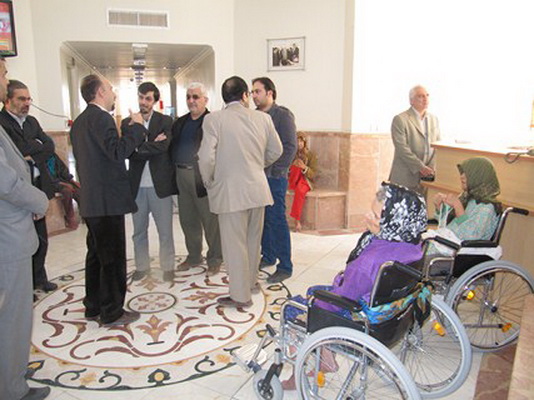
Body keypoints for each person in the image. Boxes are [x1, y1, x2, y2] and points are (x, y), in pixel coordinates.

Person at [281, 182, 427, 389]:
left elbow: (343, 298)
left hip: (359, 319)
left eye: (375, 216)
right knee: (314, 290)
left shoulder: (369, 262)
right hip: (391, 316)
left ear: (394, 222)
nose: (367, 216)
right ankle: (326, 358)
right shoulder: (413, 247)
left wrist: (314, 306)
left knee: (294, 308)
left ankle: (297, 375)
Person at [198, 76, 282, 308]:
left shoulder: (213, 119)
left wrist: (209, 180)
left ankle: (240, 296)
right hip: (258, 190)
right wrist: (256, 165)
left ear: (224, 98)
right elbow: (276, 150)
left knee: (235, 245)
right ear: (245, 95)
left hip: (230, 192)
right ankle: (251, 283)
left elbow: (205, 157)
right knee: (253, 241)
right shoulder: (263, 118)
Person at [70, 74, 146, 326]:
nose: (114, 92)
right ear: (100, 92)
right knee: (112, 259)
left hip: (91, 201)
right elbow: (117, 152)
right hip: (107, 202)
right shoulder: (102, 118)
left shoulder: (80, 122)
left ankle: (92, 306)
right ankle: (112, 311)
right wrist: (137, 128)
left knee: (95, 256)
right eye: (111, 88)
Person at [0, 58, 51, 400]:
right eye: (3, 72)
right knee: (13, 315)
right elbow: (6, 182)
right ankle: (12, 387)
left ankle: (10, 369)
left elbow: (45, 147)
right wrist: (39, 201)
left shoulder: (31, 122)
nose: (5, 78)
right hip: (8, 234)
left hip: (11, 227)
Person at [0, 79, 58, 293]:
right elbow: (17, 150)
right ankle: (27, 286)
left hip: (38, 185)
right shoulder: (3, 123)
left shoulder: (32, 121)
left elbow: (49, 146)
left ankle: (40, 278)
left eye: (28, 99)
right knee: (24, 240)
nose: (27, 103)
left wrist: (32, 153)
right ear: (8, 100)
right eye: (21, 99)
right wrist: (35, 146)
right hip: (18, 192)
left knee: (41, 238)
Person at [122, 82, 177, 282]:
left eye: (148, 98)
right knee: (138, 231)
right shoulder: (128, 123)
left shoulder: (165, 121)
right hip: (137, 186)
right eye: (141, 97)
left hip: (159, 185)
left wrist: (140, 146)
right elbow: (128, 152)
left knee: (165, 231)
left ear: (155, 101)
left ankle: (168, 266)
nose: (143, 102)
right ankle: (142, 267)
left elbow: (164, 147)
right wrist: (151, 144)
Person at [170, 82, 222, 276]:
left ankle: (215, 258)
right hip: (181, 175)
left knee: (210, 221)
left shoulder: (212, 121)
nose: (191, 101)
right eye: (188, 97)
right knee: (188, 219)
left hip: (202, 177)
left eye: (196, 97)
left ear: (205, 100)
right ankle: (193, 256)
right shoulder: (180, 122)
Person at [252, 77, 297, 284]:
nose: (254, 95)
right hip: (256, 176)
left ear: (270, 93)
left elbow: (290, 147)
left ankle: (285, 265)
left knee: (277, 219)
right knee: (263, 219)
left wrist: (276, 170)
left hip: (274, 177)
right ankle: (268, 256)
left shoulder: (282, 115)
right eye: (252, 92)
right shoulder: (253, 116)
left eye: (258, 91)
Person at [429, 157, 501, 255]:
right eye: (462, 173)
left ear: (478, 177)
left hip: (457, 251)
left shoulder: (486, 208)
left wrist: (458, 207)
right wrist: (439, 208)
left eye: (467, 174)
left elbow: (470, 236)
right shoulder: (468, 198)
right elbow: (450, 223)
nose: (461, 176)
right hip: (447, 244)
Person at [389, 85, 441, 194]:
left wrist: (430, 168)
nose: (425, 99)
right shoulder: (400, 119)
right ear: (411, 101)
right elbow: (402, 149)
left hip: (426, 178)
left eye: (427, 95)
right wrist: (421, 167)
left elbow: (437, 146)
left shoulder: (434, 119)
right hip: (405, 177)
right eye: (420, 96)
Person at [288, 131, 317, 232]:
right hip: (293, 180)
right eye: (297, 141)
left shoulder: (311, 155)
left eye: (301, 141)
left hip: (305, 181)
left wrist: (304, 167)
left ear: (305, 143)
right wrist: (293, 166)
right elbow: (285, 169)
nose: (299, 144)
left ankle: (297, 220)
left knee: (300, 191)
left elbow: (314, 174)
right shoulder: (291, 154)